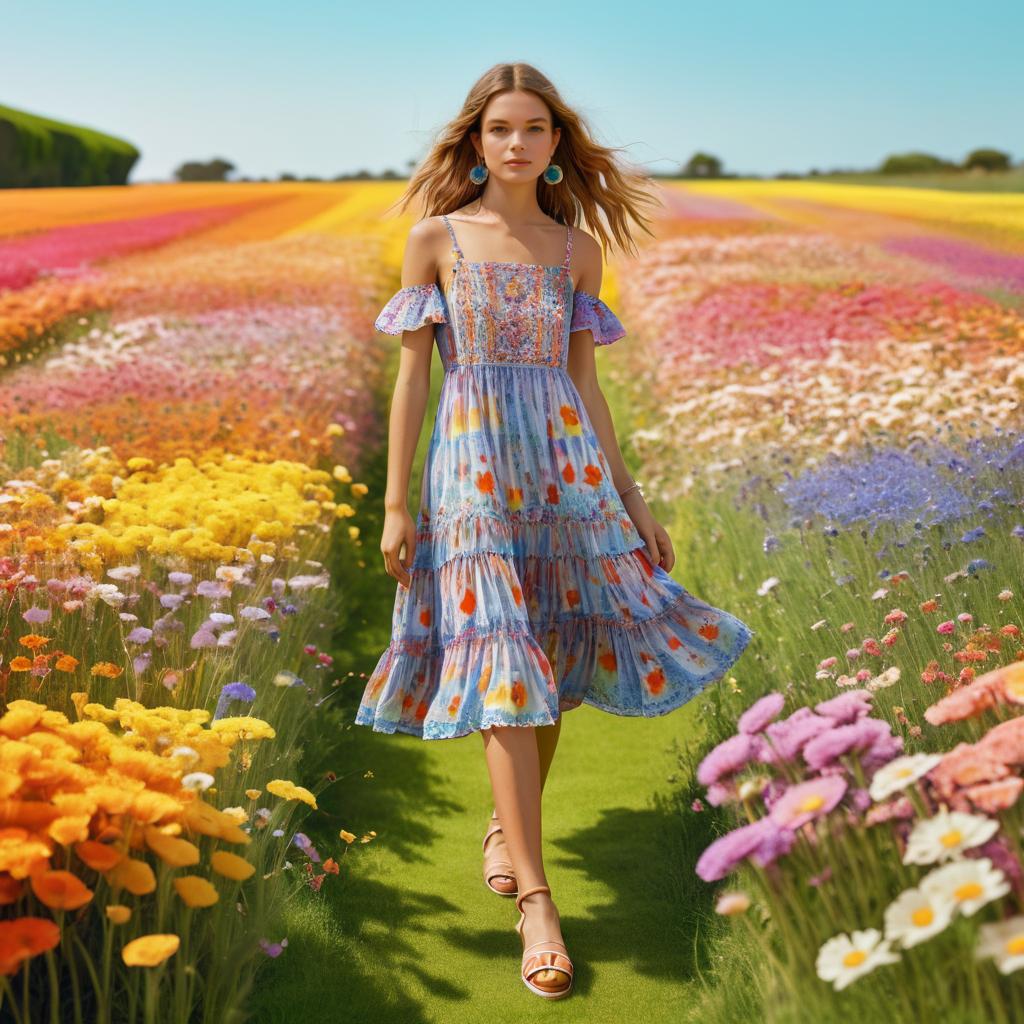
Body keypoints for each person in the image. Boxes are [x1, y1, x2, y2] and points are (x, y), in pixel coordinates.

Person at [355, 61, 755, 1000]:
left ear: (555, 144)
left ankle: (508, 824)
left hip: (564, 467)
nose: (517, 143)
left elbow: (587, 384)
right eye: (501, 129)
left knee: (555, 653)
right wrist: (396, 502)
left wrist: (633, 498)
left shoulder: (577, 252)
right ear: (476, 141)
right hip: (473, 465)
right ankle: (538, 899)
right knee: (503, 664)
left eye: (535, 128)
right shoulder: (436, 239)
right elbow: (414, 377)